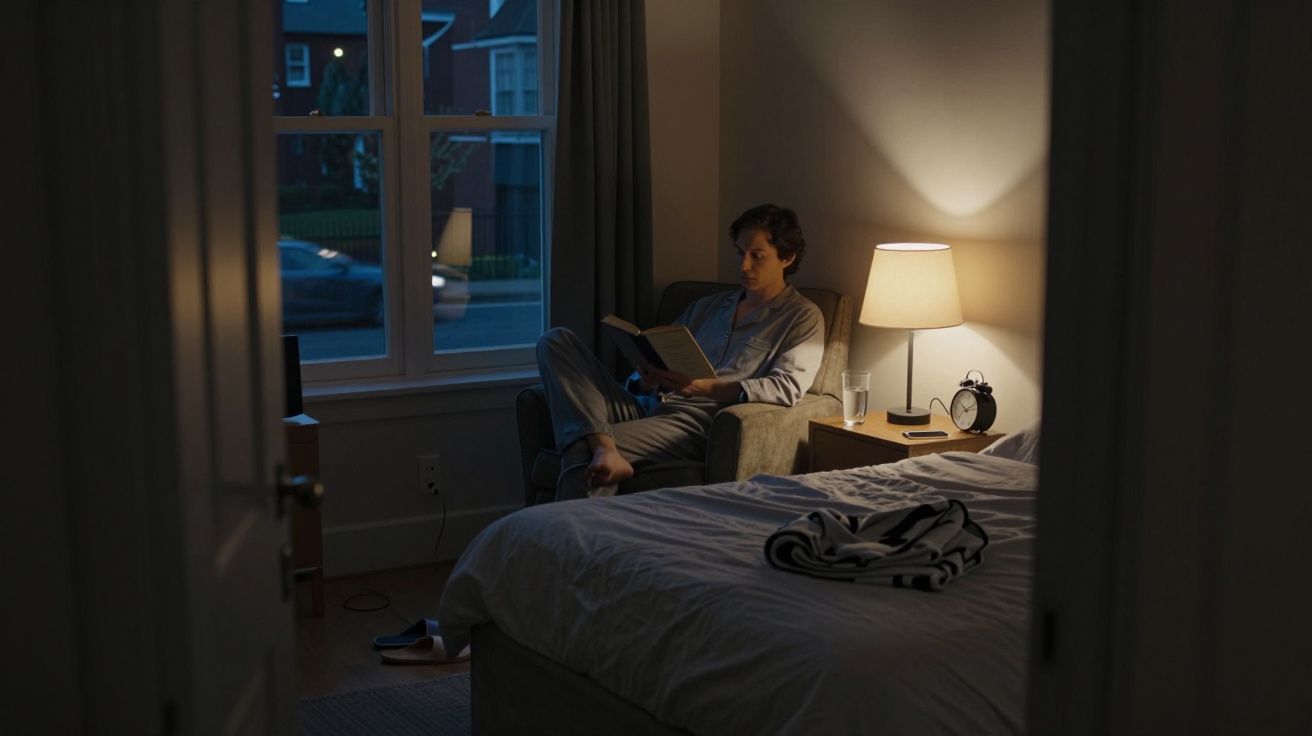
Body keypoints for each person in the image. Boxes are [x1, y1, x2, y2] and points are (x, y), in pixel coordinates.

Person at [536, 203, 826, 500]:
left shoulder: (801, 316)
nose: (743, 266)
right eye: (740, 253)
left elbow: (787, 387)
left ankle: (577, 530)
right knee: (556, 340)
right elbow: (658, 351)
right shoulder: (708, 307)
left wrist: (707, 387)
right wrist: (645, 378)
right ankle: (605, 448)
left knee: (580, 446)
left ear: (787, 258)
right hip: (647, 403)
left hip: (692, 424)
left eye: (757, 256)